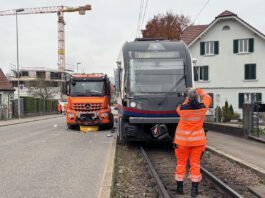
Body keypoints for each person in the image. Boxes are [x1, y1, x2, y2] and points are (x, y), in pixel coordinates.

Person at [174, 87, 212, 197]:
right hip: (198, 143)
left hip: (182, 143)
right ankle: (194, 191)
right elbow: (207, 97)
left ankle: (180, 189)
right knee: (195, 164)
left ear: (188, 98)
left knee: (181, 164)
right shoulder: (203, 108)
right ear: (197, 98)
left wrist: (188, 96)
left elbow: (181, 106)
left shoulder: (182, 109)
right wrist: (198, 89)